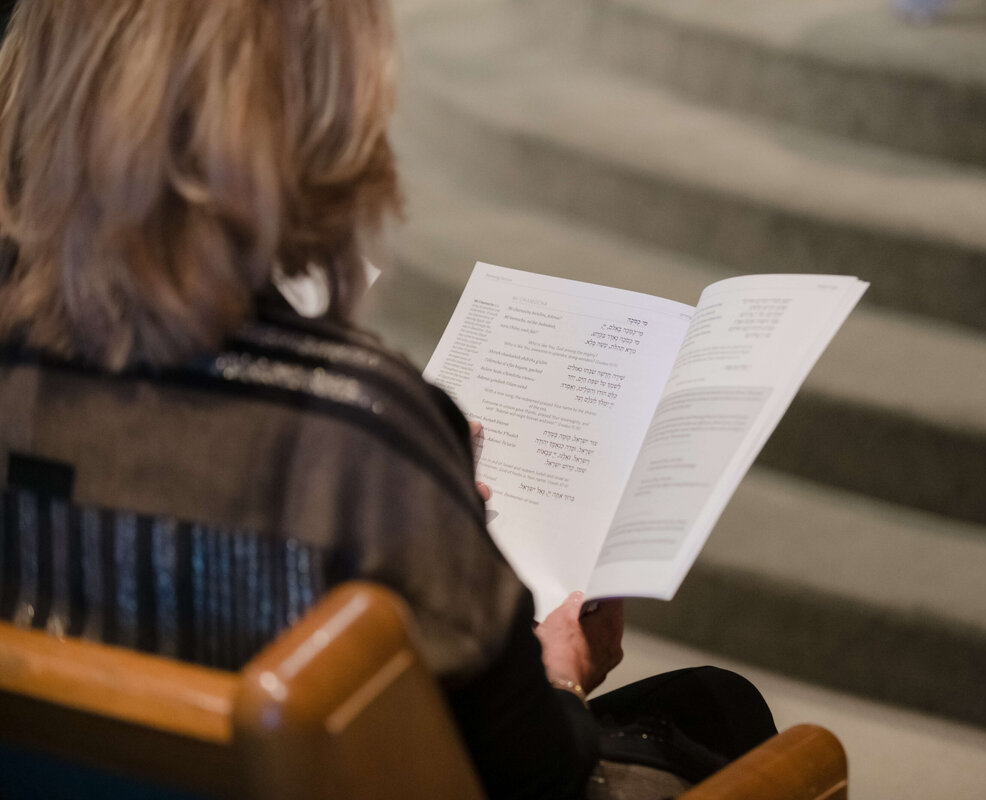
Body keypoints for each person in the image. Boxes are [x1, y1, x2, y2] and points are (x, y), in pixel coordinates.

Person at [0, 2, 776, 797]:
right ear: (316, 116)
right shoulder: (362, 437)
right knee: (727, 717)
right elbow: (536, 775)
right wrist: (560, 671)